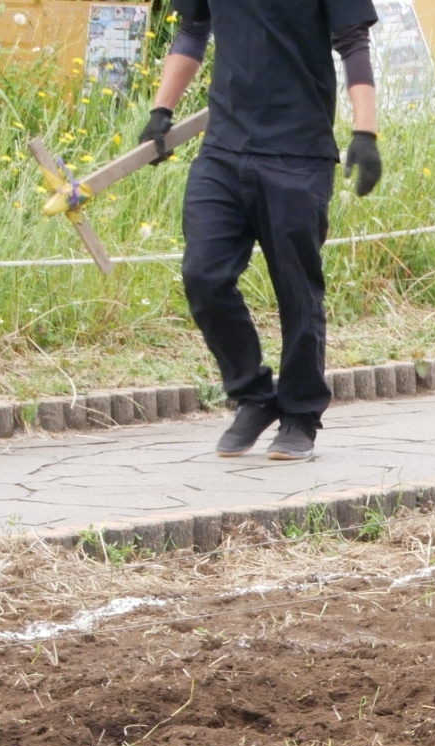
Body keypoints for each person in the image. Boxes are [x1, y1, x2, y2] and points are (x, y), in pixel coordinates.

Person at [146, 0, 381, 463]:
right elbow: (193, 31)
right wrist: (161, 110)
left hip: (298, 154)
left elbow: (353, 44)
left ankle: (299, 415)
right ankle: (254, 395)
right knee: (204, 276)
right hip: (223, 150)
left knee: (298, 292)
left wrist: (365, 134)